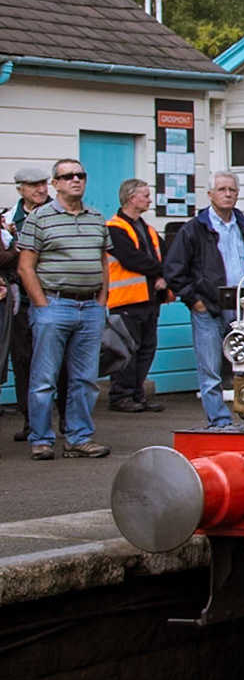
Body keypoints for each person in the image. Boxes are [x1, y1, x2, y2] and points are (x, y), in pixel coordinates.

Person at [16, 159, 111, 458]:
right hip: (55, 304)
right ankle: (41, 439)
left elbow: (102, 263)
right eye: (67, 176)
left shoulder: (97, 217)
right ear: (55, 184)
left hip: (90, 306)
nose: (76, 180)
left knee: (85, 379)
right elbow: (25, 268)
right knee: (44, 378)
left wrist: (101, 301)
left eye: (80, 175)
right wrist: (42, 306)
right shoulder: (40, 219)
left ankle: (79, 437)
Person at [164, 171, 244, 432]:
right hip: (208, 308)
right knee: (210, 370)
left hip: (243, 308)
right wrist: (195, 301)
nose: (228, 194)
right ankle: (219, 422)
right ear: (210, 195)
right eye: (222, 190)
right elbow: (173, 270)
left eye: (233, 190)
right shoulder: (194, 228)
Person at [106, 179, 169, 412]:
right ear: (132, 198)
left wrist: (166, 276)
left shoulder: (147, 228)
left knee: (145, 349)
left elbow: (166, 254)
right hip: (126, 300)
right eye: (145, 195)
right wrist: (162, 272)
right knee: (126, 350)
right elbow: (131, 258)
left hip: (149, 299)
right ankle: (120, 396)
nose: (149, 199)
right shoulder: (113, 228)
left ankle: (137, 394)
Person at [4, 166, 52, 438]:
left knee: (59, 364)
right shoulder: (10, 219)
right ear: (21, 189)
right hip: (21, 301)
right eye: (34, 185)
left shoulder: (58, 214)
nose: (41, 190)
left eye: (44, 184)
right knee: (23, 361)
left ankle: (64, 420)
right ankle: (30, 419)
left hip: (53, 298)